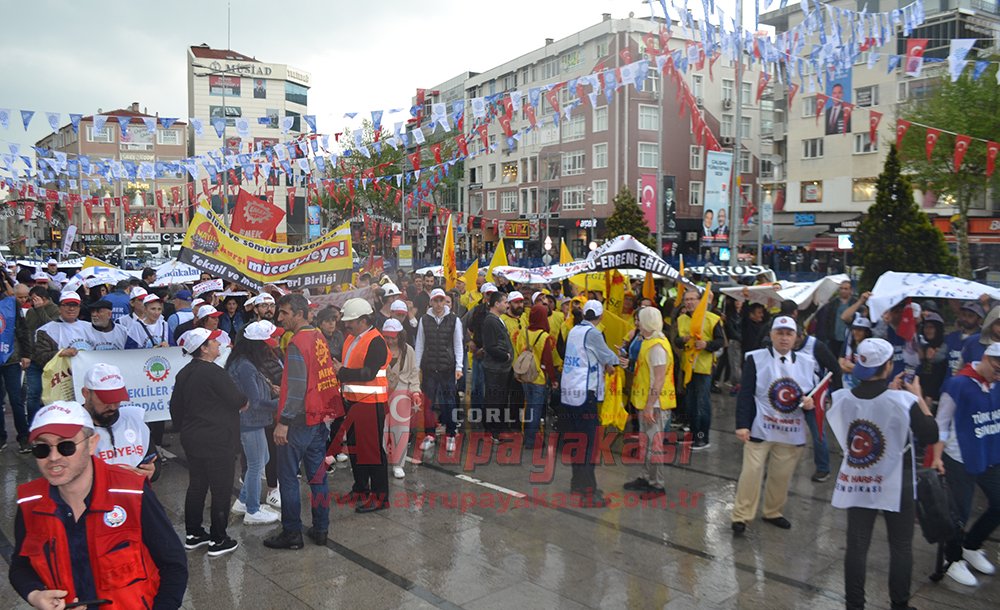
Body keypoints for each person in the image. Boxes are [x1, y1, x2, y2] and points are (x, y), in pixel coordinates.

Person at [10, 400, 187, 609]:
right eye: (42, 449)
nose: (53, 457)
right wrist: (35, 594)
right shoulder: (30, 502)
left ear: (92, 443)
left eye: (66, 446)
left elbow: (173, 565)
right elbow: (20, 566)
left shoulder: (131, 492)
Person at [827, 338, 938, 609]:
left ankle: (854, 604)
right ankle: (899, 603)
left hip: (858, 479)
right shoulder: (904, 401)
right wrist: (917, 395)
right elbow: (931, 434)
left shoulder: (842, 398)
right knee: (900, 545)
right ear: (888, 366)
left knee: (856, 544)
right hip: (896, 481)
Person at [265, 294, 342, 549]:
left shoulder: (297, 343)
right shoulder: (319, 336)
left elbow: (297, 388)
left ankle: (292, 533)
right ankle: (321, 530)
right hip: (318, 419)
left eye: (285, 313)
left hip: (298, 422)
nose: (280, 317)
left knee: (288, 479)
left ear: (299, 314)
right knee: (318, 479)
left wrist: (284, 421)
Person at [731, 316, 818, 534]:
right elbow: (745, 394)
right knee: (750, 472)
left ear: (796, 337)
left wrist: (810, 402)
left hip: (790, 429)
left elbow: (810, 394)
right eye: (779, 333)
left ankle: (773, 512)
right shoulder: (756, 359)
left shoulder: (807, 362)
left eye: (789, 333)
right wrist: (742, 424)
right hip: (760, 426)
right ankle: (741, 515)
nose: (784, 338)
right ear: (771, 335)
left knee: (781, 475)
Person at [170, 328, 247, 557]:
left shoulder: (184, 373)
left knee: (197, 484)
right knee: (221, 488)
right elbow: (237, 400)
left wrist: (185, 428)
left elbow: (175, 408)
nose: (218, 344)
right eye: (213, 341)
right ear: (203, 348)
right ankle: (218, 538)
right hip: (217, 438)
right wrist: (243, 402)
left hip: (193, 437)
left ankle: (194, 534)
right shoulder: (214, 372)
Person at [932, 342, 1000, 586]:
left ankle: (972, 545)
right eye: (996, 367)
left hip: (989, 454)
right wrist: (937, 457)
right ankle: (952, 559)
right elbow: (941, 422)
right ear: (985, 358)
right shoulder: (958, 384)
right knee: (959, 512)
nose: (998, 373)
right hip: (959, 456)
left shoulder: (996, 384)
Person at [560, 300, 622, 507]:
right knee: (588, 444)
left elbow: (590, 356)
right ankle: (589, 493)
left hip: (569, 393)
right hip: (585, 393)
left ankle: (577, 483)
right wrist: (620, 357)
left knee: (577, 442)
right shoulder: (593, 334)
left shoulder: (575, 330)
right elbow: (607, 355)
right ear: (601, 316)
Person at [333, 297, 391, 513]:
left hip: (370, 403)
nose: (347, 325)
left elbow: (368, 373)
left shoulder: (376, 341)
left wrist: (342, 373)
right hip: (353, 402)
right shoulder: (352, 337)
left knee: (372, 451)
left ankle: (380, 496)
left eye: (351, 321)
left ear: (364, 320)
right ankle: (360, 488)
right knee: (356, 449)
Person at [226, 321, 282, 525]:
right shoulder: (246, 366)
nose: (271, 346)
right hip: (250, 422)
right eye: (266, 343)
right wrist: (280, 403)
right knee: (257, 463)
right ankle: (252, 509)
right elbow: (255, 402)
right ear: (256, 345)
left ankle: (243, 501)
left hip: (251, 421)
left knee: (261, 459)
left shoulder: (243, 362)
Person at [624, 306, 675, 497]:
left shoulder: (657, 346)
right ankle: (645, 477)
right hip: (645, 401)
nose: (636, 322)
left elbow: (659, 379)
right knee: (646, 442)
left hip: (655, 403)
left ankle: (657, 484)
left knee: (655, 445)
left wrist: (649, 406)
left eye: (639, 319)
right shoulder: (647, 341)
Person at [82, 363, 156, 477]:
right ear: (86, 394)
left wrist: (151, 471)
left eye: (117, 400)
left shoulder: (133, 419)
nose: (112, 407)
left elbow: (154, 463)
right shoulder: (73, 428)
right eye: (105, 400)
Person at [674, 288, 724, 449]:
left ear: (700, 300)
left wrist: (706, 345)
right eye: (686, 299)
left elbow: (720, 341)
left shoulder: (712, 319)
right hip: (687, 366)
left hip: (704, 367)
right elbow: (676, 341)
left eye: (692, 299)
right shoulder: (681, 319)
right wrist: (682, 340)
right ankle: (692, 434)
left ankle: (703, 437)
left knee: (702, 403)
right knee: (690, 403)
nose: (688, 302)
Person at [415, 288, 464, 453]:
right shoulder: (424, 319)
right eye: (435, 300)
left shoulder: (454, 320)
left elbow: (458, 344)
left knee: (448, 402)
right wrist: (416, 367)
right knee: (428, 403)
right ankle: (430, 434)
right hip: (429, 367)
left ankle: (450, 434)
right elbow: (420, 344)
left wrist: (459, 367)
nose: (438, 304)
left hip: (447, 368)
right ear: (431, 302)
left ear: (445, 301)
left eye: (441, 300)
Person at [383, 318, 421, 479]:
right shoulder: (379, 349)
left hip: (402, 394)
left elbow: (414, 373)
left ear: (400, 335)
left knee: (400, 430)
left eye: (393, 337)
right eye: (387, 337)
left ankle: (398, 463)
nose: (390, 340)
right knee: (382, 429)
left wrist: (415, 392)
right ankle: (380, 460)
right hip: (382, 393)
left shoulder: (409, 350)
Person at [521, 302, 559, 449]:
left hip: (525, 376)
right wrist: (554, 379)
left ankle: (527, 437)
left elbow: (520, 351)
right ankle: (532, 441)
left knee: (528, 407)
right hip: (539, 378)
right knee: (536, 409)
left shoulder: (524, 332)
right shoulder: (544, 336)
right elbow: (548, 361)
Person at [21, 286, 60, 427]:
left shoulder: (56, 310)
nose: (32, 302)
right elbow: (28, 332)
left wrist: (40, 309)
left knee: (51, 396)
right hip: (34, 359)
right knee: (33, 396)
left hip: (51, 360)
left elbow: (52, 328)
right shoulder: (30, 312)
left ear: (44, 299)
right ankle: (33, 426)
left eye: (35, 299)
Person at [481, 291, 515, 442]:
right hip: (495, 368)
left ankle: (497, 429)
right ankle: (492, 432)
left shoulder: (497, 320)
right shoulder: (490, 321)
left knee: (499, 399)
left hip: (501, 368)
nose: (507, 304)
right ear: (496, 304)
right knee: (494, 400)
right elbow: (490, 346)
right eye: (505, 302)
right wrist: (505, 356)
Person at [815, 280, 857, 358]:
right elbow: (826, 321)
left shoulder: (855, 303)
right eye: (841, 288)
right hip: (834, 338)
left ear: (851, 290)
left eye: (846, 289)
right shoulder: (832, 303)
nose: (843, 291)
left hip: (849, 339)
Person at [945, 302, 984, 376]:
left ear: (979, 319)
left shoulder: (982, 339)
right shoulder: (951, 336)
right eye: (964, 315)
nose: (965, 318)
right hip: (950, 382)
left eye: (970, 316)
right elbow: (939, 357)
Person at [839, 315, 874, 389]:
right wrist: (858, 369)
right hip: (846, 383)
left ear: (866, 332)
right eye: (854, 329)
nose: (856, 332)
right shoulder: (848, 345)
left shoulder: (871, 348)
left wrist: (850, 366)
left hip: (864, 386)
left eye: (860, 330)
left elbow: (868, 371)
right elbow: (841, 365)